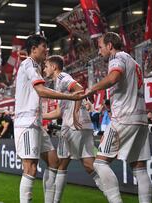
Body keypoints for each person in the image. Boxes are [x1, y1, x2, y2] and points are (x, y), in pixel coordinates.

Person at [14, 34, 83, 203]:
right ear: (34, 49)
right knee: (30, 167)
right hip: (27, 124)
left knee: (54, 161)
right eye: (44, 46)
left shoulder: (36, 67)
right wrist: (70, 97)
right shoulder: (28, 63)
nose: (47, 49)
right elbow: (41, 90)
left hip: (36, 123)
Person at [84, 32, 152, 203]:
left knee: (99, 163)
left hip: (123, 118)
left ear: (110, 46)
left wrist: (92, 89)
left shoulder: (116, 57)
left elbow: (114, 76)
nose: (99, 52)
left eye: (100, 48)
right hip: (140, 120)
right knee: (139, 168)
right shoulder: (133, 61)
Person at [42, 55, 103, 202]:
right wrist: (39, 116)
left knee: (60, 164)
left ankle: (54, 201)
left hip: (72, 126)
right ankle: (112, 193)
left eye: (46, 66)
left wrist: (75, 113)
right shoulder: (58, 83)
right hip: (84, 125)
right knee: (89, 165)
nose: (44, 69)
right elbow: (58, 112)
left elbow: (79, 89)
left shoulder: (62, 77)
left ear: (54, 67)